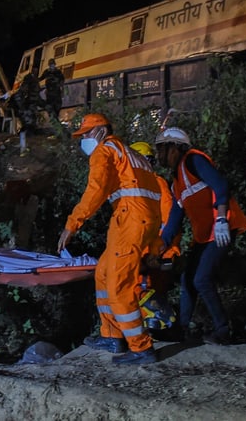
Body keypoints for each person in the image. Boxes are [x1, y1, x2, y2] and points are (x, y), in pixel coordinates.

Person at [57, 113, 163, 364]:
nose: (84, 139)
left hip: (130, 219)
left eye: (87, 133)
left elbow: (96, 190)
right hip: (141, 219)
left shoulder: (104, 151)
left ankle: (141, 348)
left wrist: (72, 225)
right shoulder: (132, 155)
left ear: (102, 131)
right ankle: (112, 335)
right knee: (104, 272)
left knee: (118, 286)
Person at [155, 127, 246, 345]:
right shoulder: (177, 182)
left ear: (175, 148)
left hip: (221, 228)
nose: (160, 154)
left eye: (162, 148)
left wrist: (222, 219)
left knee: (201, 278)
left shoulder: (193, 160)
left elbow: (221, 184)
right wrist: (160, 246)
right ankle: (180, 330)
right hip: (205, 235)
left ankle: (223, 330)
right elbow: (174, 221)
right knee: (188, 279)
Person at [129, 140, 181, 332]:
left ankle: (161, 328)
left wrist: (156, 253)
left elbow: (166, 221)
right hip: (155, 251)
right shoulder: (148, 184)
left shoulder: (153, 184)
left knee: (140, 290)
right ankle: (156, 332)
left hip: (153, 253)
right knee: (151, 294)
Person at [11, 74, 42, 156]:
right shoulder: (20, 93)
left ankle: (25, 145)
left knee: (29, 127)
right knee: (27, 127)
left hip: (25, 112)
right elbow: (21, 106)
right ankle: (23, 147)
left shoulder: (27, 91)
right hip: (22, 112)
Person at [38, 59, 65, 127]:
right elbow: (40, 78)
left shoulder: (58, 72)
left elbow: (62, 81)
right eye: (50, 64)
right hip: (49, 94)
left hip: (57, 93)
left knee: (57, 109)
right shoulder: (46, 72)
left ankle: (57, 124)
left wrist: (62, 91)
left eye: (53, 64)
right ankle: (55, 125)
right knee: (50, 109)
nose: (52, 66)